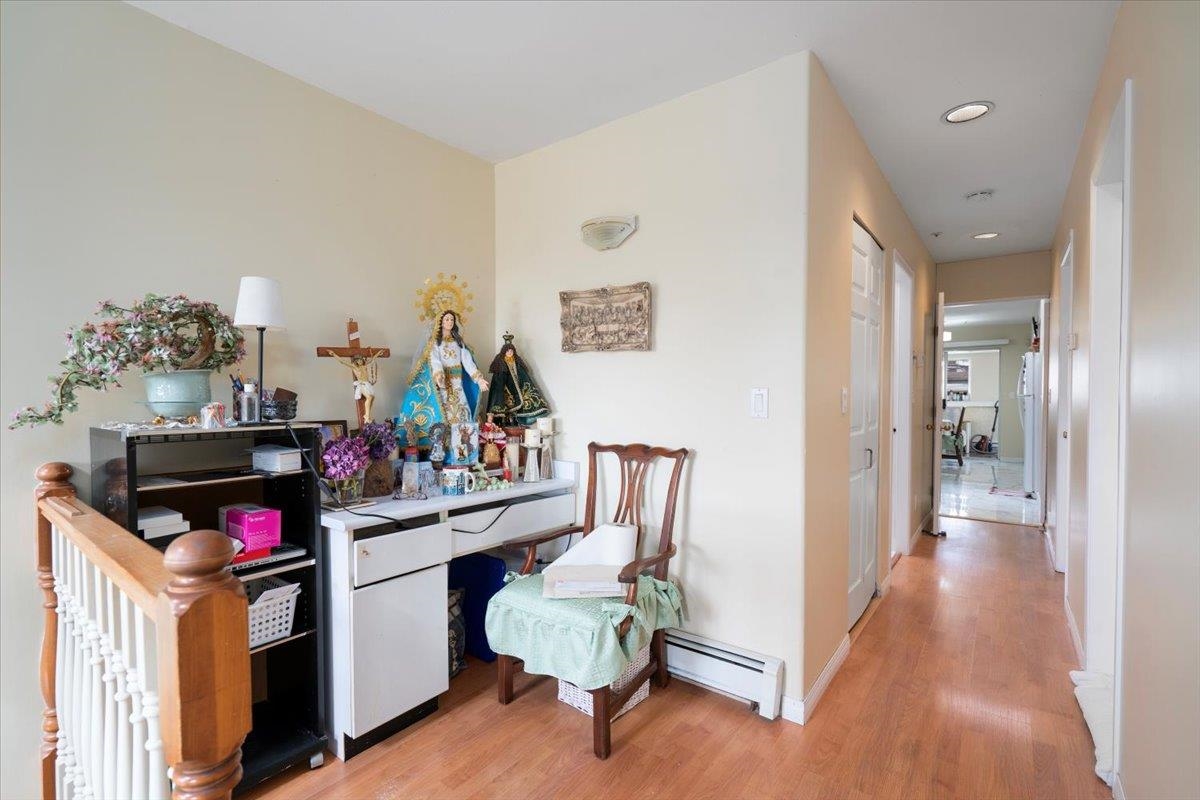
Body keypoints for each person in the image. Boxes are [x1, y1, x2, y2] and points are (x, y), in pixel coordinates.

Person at [400, 309, 489, 443]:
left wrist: (479, 379)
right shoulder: (435, 343)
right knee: (444, 412)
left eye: (452, 319)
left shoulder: (459, 342)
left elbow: (468, 362)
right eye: (447, 319)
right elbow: (435, 360)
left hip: (457, 383)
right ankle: (444, 444)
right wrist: (439, 376)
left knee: (462, 412)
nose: (450, 322)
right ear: (441, 322)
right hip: (444, 383)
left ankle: (463, 444)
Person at [486, 333, 550, 426]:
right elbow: (498, 379)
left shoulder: (517, 361)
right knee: (506, 404)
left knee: (519, 404)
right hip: (505, 388)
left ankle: (515, 421)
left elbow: (523, 375)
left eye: (511, 351)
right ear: (504, 352)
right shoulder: (500, 362)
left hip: (517, 387)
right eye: (508, 351)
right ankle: (505, 422)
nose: (510, 352)